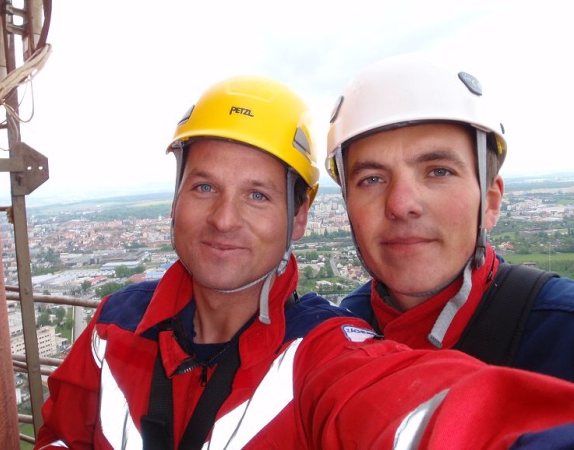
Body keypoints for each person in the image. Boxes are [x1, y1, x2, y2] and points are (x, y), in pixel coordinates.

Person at [35, 75, 574, 450]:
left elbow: (409, 408)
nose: (224, 219)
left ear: (299, 219)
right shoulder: (113, 324)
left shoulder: (322, 348)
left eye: (258, 195)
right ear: (175, 200)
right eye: (203, 187)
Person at [327, 53, 574, 381]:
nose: (401, 204)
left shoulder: (562, 333)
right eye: (371, 179)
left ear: (490, 203)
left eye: (438, 171)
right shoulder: (337, 337)